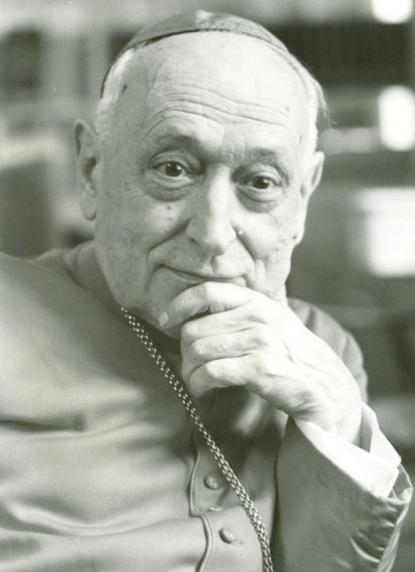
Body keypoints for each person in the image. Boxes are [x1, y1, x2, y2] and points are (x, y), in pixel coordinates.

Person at [0, 11, 411, 572]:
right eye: (173, 169)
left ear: (302, 199)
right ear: (91, 170)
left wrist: (340, 422)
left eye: (261, 183)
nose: (213, 233)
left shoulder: (322, 347)